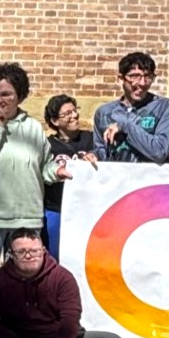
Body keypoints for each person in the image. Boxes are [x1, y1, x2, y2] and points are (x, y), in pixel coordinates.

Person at [0, 62, 77, 338]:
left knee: (25, 276)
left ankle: (19, 326)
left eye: (6, 94)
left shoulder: (33, 128)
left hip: (25, 215)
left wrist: (56, 172)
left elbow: (43, 167)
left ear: (20, 96)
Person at [93, 52, 169, 165]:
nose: (142, 83)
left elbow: (159, 152)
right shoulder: (104, 113)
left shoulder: (164, 107)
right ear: (121, 79)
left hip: (149, 181)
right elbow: (102, 153)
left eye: (148, 77)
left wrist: (125, 126)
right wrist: (93, 155)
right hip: (115, 180)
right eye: (135, 76)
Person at [41, 95, 96, 257]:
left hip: (86, 212)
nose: (74, 116)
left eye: (75, 110)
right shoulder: (47, 145)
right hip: (55, 209)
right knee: (54, 255)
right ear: (55, 121)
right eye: (67, 113)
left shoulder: (91, 139)